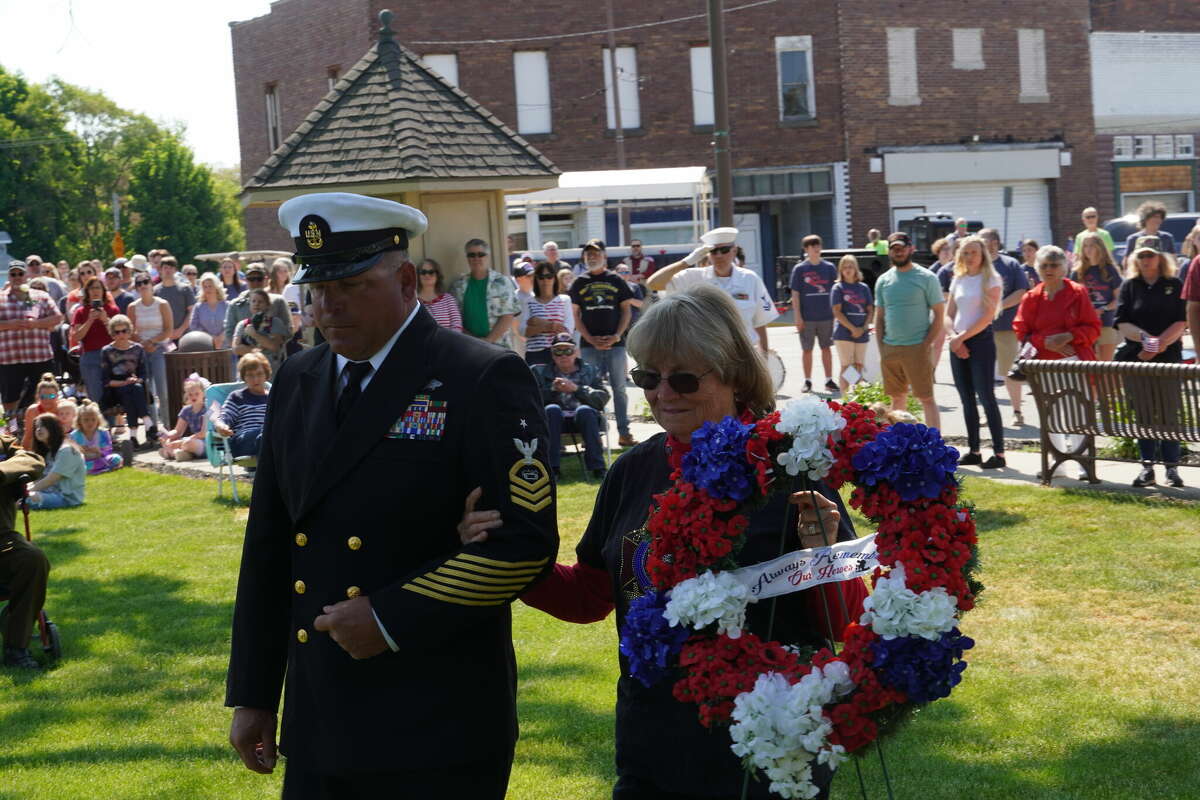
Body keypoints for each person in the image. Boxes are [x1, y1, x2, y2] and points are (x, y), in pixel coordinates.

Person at [459, 284, 867, 799]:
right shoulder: (633, 469)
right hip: (652, 735)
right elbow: (591, 595)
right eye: (647, 376)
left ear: (736, 375)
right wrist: (500, 552)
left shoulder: (786, 470)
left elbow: (840, 624)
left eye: (684, 378)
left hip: (765, 747)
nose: (662, 393)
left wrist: (821, 553)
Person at [226, 191, 558, 799]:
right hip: (321, 710)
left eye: (349, 286)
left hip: (434, 717)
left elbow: (523, 544)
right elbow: (271, 542)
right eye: (316, 289)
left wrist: (388, 615)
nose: (327, 306)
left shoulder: (477, 375)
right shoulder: (300, 377)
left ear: (406, 279)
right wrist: (252, 692)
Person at [1014, 245, 1103, 482]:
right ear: (1037, 269)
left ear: (1065, 267)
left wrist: (1069, 336)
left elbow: (1093, 328)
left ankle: (1083, 462)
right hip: (1043, 366)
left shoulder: (1077, 293)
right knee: (1050, 415)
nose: (1049, 269)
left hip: (1074, 363)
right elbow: (1022, 331)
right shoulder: (1031, 297)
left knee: (1078, 413)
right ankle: (1057, 463)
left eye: (1054, 265)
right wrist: (1046, 341)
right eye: (1044, 265)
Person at [1114, 236, 1188, 488]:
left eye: (1151, 255)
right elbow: (1122, 322)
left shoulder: (1174, 284)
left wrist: (1157, 346)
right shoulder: (1130, 285)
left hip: (1167, 358)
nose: (1146, 260)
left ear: (1161, 257)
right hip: (1138, 358)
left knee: (1169, 415)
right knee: (1143, 415)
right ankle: (1147, 467)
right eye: (1141, 256)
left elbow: (1181, 321)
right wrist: (1145, 340)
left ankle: (1171, 469)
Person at [647, 227, 777, 356]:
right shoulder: (694, 277)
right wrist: (686, 262)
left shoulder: (750, 279)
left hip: (744, 355)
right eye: (714, 251)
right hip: (706, 357)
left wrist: (764, 355)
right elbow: (653, 283)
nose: (719, 255)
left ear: (734, 251)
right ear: (707, 254)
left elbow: (760, 322)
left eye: (724, 250)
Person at [569, 238, 638, 448]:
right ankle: (594, 435)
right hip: (590, 346)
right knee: (590, 389)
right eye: (588, 254)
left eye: (596, 253)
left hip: (615, 344)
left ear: (604, 256)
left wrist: (618, 335)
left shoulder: (616, 280)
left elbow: (626, 310)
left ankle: (624, 433)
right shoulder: (579, 282)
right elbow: (575, 315)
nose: (592, 257)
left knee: (619, 388)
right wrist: (590, 339)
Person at [945, 236, 1006, 468]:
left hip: (979, 342)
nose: (970, 257)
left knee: (986, 397)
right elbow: (948, 313)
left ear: (983, 255)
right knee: (966, 399)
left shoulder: (991, 279)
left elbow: (987, 317)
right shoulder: (958, 278)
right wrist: (953, 338)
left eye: (974, 252)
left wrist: (962, 338)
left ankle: (999, 453)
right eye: (966, 252)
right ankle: (974, 450)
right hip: (957, 341)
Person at [873, 232, 944, 430]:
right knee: (897, 398)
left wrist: (926, 344)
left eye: (902, 248)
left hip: (917, 348)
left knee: (926, 398)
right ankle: (900, 445)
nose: (899, 252)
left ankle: (936, 445)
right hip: (891, 349)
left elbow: (939, 314)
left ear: (910, 248)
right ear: (889, 251)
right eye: (894, 248)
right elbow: (879, 318)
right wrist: (882, 347)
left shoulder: (927, 277)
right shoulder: (883, 281)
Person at [0, 431, 48, 669]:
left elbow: (32, 459)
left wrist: (2, 473)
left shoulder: (2, 442)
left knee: (32, 558)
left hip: (2, 541)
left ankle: (16, 649)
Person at [530, 333, 609, 479]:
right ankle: (552, 468)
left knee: (584, 410)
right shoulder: (539, 372)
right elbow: (531, 401)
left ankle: (598, 467)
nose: (563, 355)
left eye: (568, 350)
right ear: (552, 355)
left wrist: (577, 389)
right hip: (553, 422)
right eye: (558, 351)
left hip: (584, 421)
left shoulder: (590, 370)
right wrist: (551, 390)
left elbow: (602, 398)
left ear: (575, 352)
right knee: (552, 410)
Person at [0, 261, 63, 430]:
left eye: (20, 274)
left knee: (44, 392)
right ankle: (11, 431)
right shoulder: (1, 297)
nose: (17, 278)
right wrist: (10, 324)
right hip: (10, 358)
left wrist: (36, 323)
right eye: (13, 274)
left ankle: (43, 426)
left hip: (39, 355)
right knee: (9, 398)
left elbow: (57, 318)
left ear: (26, 276)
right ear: (9, 276)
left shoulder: (40, 296)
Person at [979, 228, 1030, 426]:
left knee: (1009, 371)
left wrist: (997, 307)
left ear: (997, 243)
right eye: (983, 240)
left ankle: (1017, 412)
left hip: (1005, 327)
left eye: (990, 240)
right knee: (983, 373)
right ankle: (987, 412)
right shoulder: (975, 266)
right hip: (979, 328)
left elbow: (1021, 291)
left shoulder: (1010, 264)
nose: (987, 244)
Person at [784, 235, 839, 392]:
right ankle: (807, 381)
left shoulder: (829, 268)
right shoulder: (800, 269)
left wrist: (836, 315)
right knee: (807, 349)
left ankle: (829, 380)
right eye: (812, 245)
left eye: (818, 245)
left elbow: (836, 291)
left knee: (826, 348)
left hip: (826, 316)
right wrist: (797, 316)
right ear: (806, 249)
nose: (816, 248)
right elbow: (795, 294)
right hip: (807, 317)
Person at [449, 238, 520, 351]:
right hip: (469, 347)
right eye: (471, 255)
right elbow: (456, 320)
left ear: (487, 256)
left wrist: (488, 342)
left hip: (499, 347)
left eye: (480, 254)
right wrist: (475, 342)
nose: (476, 258)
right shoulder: (458, 286)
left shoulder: (502, 282)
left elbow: (507, 316)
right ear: (467, 258)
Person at [100, 314, 158, 448]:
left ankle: (133, 437)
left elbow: (144, 374)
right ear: (112, 333)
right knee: (130, 390)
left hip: (135, 384)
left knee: (134, 389)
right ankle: (148, 423)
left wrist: (136, 380)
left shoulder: (138, 349)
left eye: (124, 331)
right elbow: (106, 380)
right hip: (115, 389)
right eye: (117, 332)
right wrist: (124, 382)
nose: (121, 334)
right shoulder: (107, 351)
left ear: (129, 331)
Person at [223, 263, 293, 368]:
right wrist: (251, 350)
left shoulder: (278, 301)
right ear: (246, 280)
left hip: (273, 361)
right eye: (251, 279)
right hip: (247, 362)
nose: (255, 282)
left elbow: (288, 330)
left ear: (266, 279)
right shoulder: (236, 305)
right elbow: (229, 334)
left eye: (259, 278)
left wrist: (268, 345)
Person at [128, 270, 173, 428]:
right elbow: (130, 331)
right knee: (147, 392)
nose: (142, 286)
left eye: (145, 282)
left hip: (160, 349)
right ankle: (152, 429)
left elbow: (168, 329)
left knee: (163, 391)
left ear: (151, 284)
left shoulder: (162, 304)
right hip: (140, 351)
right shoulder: (132, 307)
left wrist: (152, 342)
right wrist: (143, 343)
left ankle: (168, 426)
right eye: (139, 283)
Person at [1070, 231, 1124, 361]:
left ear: (1099, 247)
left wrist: (1103, 309)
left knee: (1105, 366)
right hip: (1084, 326)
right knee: (1088, 366)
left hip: (1106, 323)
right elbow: (1071, 301)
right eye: (1085, 246)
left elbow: (1119, 299)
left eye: (1091, 246)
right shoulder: (1077, 272)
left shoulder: (1110, 270)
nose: (1088, 250)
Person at [70, 277, 120, 403]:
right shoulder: (80, 312)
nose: (95, 291)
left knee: (112, 397)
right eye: (92, 288)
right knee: (96, 396)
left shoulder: (113, 310)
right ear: (87, 292)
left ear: (103, 291)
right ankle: (101, 423)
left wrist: (105, 320)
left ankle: (111, 422)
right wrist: (90, 320)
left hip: (111, 356)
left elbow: (119, 335)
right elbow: (76, 337)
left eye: (98, 287)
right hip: (90, 356)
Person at [213, 352, 270, 462]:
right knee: (268, 434)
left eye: (259, 374)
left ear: (266, 375)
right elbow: (224, 417)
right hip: (243, 442)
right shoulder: (237, 397)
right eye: (250, 375)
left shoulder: (274, 397)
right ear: (244, 377)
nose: (255, 379)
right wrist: (221, 426)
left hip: (269, 439)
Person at [830, 254, 873, 393]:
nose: (848, 270)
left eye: (851, 267)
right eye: (845, 267)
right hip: (843, 333)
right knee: (846, 366)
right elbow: (837, 312)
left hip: (862, 332)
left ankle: (857, 398)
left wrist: (863, 328)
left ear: (856, 269)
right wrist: (853, 329)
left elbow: (870, 310)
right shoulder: (838, 288)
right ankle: (845, 399)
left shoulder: (864, 288)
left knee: (858, 365)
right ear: (841, 270)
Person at [519, 261, 574, 366]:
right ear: (536, 280)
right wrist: (551, 326)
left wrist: (539, 322)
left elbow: (567, 331)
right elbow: (523, 331)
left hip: (559, 353)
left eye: (549, 276)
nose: (545, 280)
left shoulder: (565, 300)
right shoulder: (528, 301)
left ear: (554, 278)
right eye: (541, 277)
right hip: (535, 354)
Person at [26, 413, 85, 510]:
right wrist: (23, 488)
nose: (39, 429)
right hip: (47, 493)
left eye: (43, 426)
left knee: (26, 498)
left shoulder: (67, 450)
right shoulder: (48, 452)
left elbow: (51, 479)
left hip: (66, 499)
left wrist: (25, 491)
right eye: (37, 427)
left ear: (53, 428)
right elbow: (38, 479)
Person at [232, 289, 288, 376]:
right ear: (249, 304)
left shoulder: (275, 323)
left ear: (267, 305)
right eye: (253, 301)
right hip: (247, 373)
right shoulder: (242, 325)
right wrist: (259, 349)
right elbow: (236, 349)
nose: (256, 304)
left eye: (260, 301)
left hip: (271, 374)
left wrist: (254, 334)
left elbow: (274, 346)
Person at [159, 375, 208, 462]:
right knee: (168, 440)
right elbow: (178, 431)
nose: (193, 397)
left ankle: (172, 453)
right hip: (192, 440)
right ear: (186, 395)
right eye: (190, 394)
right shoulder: (186, 410)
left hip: (205, 442)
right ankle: (181, 453)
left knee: (188, 443)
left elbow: (203, 434)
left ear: (203, 394)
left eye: (197, 394)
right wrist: (169, 436)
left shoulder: (207, 409)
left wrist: (182, 442)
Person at [69, 400, 122, 474]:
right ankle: (98, 469)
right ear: (79, 421)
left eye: (93, 420)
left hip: (99, 459)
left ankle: (93, 469)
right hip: (83, 461)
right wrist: (80, 450)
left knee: (116, 458)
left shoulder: (103, 433)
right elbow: (70, 454)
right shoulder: (74, 435)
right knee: (72, 464)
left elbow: (108, 450)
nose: (90, 423)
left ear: (98, 420)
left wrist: (99, 451)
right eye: (86, 420)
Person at [154, 256, 196, 344]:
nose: (168, 270)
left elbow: (192, 312)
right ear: (160, 270)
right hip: (162, 337)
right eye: (165, 268)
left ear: (175, 270)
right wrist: (166, 333)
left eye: (171, 267)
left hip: (184, 335)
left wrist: (180, 330)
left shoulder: (185, 288)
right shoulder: (155, 291)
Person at [416, 258, 463, 332]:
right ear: (418, 275)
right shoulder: (413, 302)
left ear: (437, 275)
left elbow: (457, 325)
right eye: (423, 272)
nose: (427, 275)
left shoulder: (448, 299)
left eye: (431, 272)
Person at [930, 237, 956, 371]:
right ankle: (930, 370)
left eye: (948, 249)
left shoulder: (959, 266)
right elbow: (935, 293)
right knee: (936, 342)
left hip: (955, 311)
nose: (946, 252)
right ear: (937, 252)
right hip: (938, 310)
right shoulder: (934, 270)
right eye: (943, 250)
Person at [21, 374, 62, 452]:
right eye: (43, 397)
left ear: (57, 396)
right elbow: (28, 436)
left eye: (51, 396)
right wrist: (24, 454)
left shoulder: (63, 409)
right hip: (40, 448)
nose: (47, 400)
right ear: (38, 396)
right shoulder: (32, 410)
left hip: (60, 448)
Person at [190, 273, 230, 348]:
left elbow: (232, 323)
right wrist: (210, 337)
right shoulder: (198, 307)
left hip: (226, 346)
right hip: (206, 346)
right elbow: (194, 326)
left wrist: (221, 337)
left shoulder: (227, 305)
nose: (208, 289)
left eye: (210, 286)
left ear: (216, 287)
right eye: (205, 287)